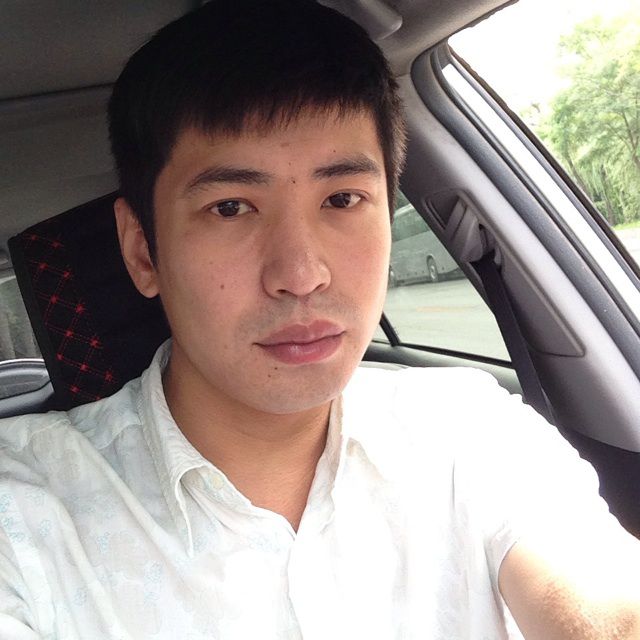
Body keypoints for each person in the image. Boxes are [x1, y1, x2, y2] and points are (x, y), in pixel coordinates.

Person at [1, 1, 639, 638]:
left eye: (342, 198)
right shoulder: (23, 514)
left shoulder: (471, 429)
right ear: (143, 251)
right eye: (230, 207)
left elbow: (597, 596)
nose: (302, 274)